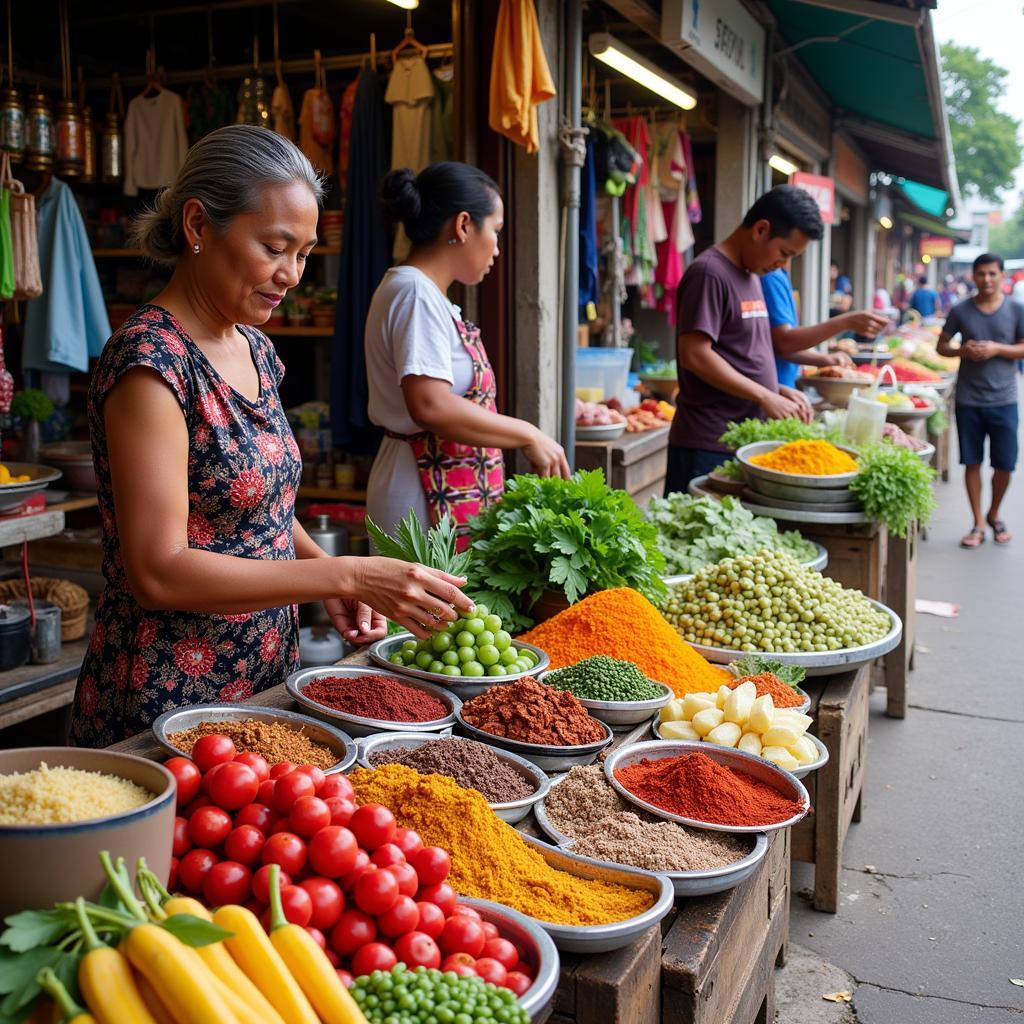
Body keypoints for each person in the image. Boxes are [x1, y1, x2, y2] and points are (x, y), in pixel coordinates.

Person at [69, 127, 474, 747]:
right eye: (274, 247)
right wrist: (346, 578)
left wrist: (324, 566)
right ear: (198, 226)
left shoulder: (254, 348)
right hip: (168, 693)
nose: (291, 275)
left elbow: (262, 511)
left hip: (263, 675)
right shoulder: (150, 364)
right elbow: (159, 570)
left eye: (305, 253)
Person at [365, 161, 569, 540]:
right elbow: (430, 404)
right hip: (421, 486)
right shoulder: (415, 293)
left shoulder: (426, 294)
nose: (497, 247)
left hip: (440, 482)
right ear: (462, 225)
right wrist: (528, 434)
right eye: (496, 230)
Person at [665, 185, 822, 493]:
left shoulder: (751, 274)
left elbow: (737, 355)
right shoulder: (709, 273)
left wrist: (775, 389)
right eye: (785, 253)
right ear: (761, 230)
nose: (784, 265)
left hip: (738, 439)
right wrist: (765, 396)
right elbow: (695, 355)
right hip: (707, 443)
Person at [936, 252, 1024, 548]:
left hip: (1005, 399)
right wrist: (964, 351)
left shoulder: (1016, 309)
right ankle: (977, 523)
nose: (987, 279)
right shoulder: (961, 310)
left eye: (992, 274)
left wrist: (997, 348)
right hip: (969, 399)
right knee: (971, 463)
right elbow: (942, 346)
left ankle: (994, 513)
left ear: (1001, 276)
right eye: (981, 274)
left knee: (1005, 465)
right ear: (973, 276)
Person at [761, 263, 887, 389]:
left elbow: (782, 345)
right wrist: (846, 322)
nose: (784, 259)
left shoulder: (778, 275)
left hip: (784, 386)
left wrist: (825, 359)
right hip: (775, 387)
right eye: (785, 252)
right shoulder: (769, 276)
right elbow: (784, 343)